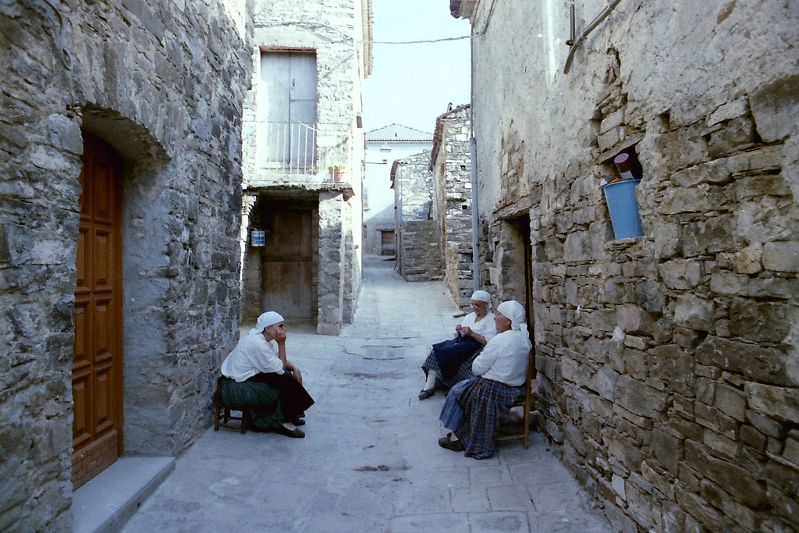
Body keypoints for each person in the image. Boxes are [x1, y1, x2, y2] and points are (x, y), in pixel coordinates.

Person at [437, 300, 531, 459]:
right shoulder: (524, 339)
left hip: (497, 387)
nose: (495, 318)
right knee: (464, 389)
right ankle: (459, 434)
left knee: (458, 392)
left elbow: (477, 368)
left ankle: (459, 437)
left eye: (499, 314)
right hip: (515, 389)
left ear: (508, 321)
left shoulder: (500, 340)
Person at [219, 311, 314, 438]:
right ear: (268, 328)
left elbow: (278, 360)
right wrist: (282, 344)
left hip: (249, 375)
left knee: (285, 375)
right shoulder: (257, 343)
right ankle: (284, 421)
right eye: (280, 326)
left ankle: (291, 414)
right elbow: (280, 367)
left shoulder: (264, 340)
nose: (284, 329)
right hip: (237, 383)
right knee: (283, 377)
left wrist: (295, 368)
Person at [418, 290, 499, 400]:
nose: (474, 307)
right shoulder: (470, 316)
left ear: (486, 305)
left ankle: (453, 385)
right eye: (472, 304)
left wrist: (472, 333)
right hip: (463, 343)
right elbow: (458, 335)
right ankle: (429, 387)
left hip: (477, 347)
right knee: (438, 348)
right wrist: (459, 330)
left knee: (448, 352)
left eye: (477, 305)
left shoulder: (491, 319)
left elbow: (489, 341)